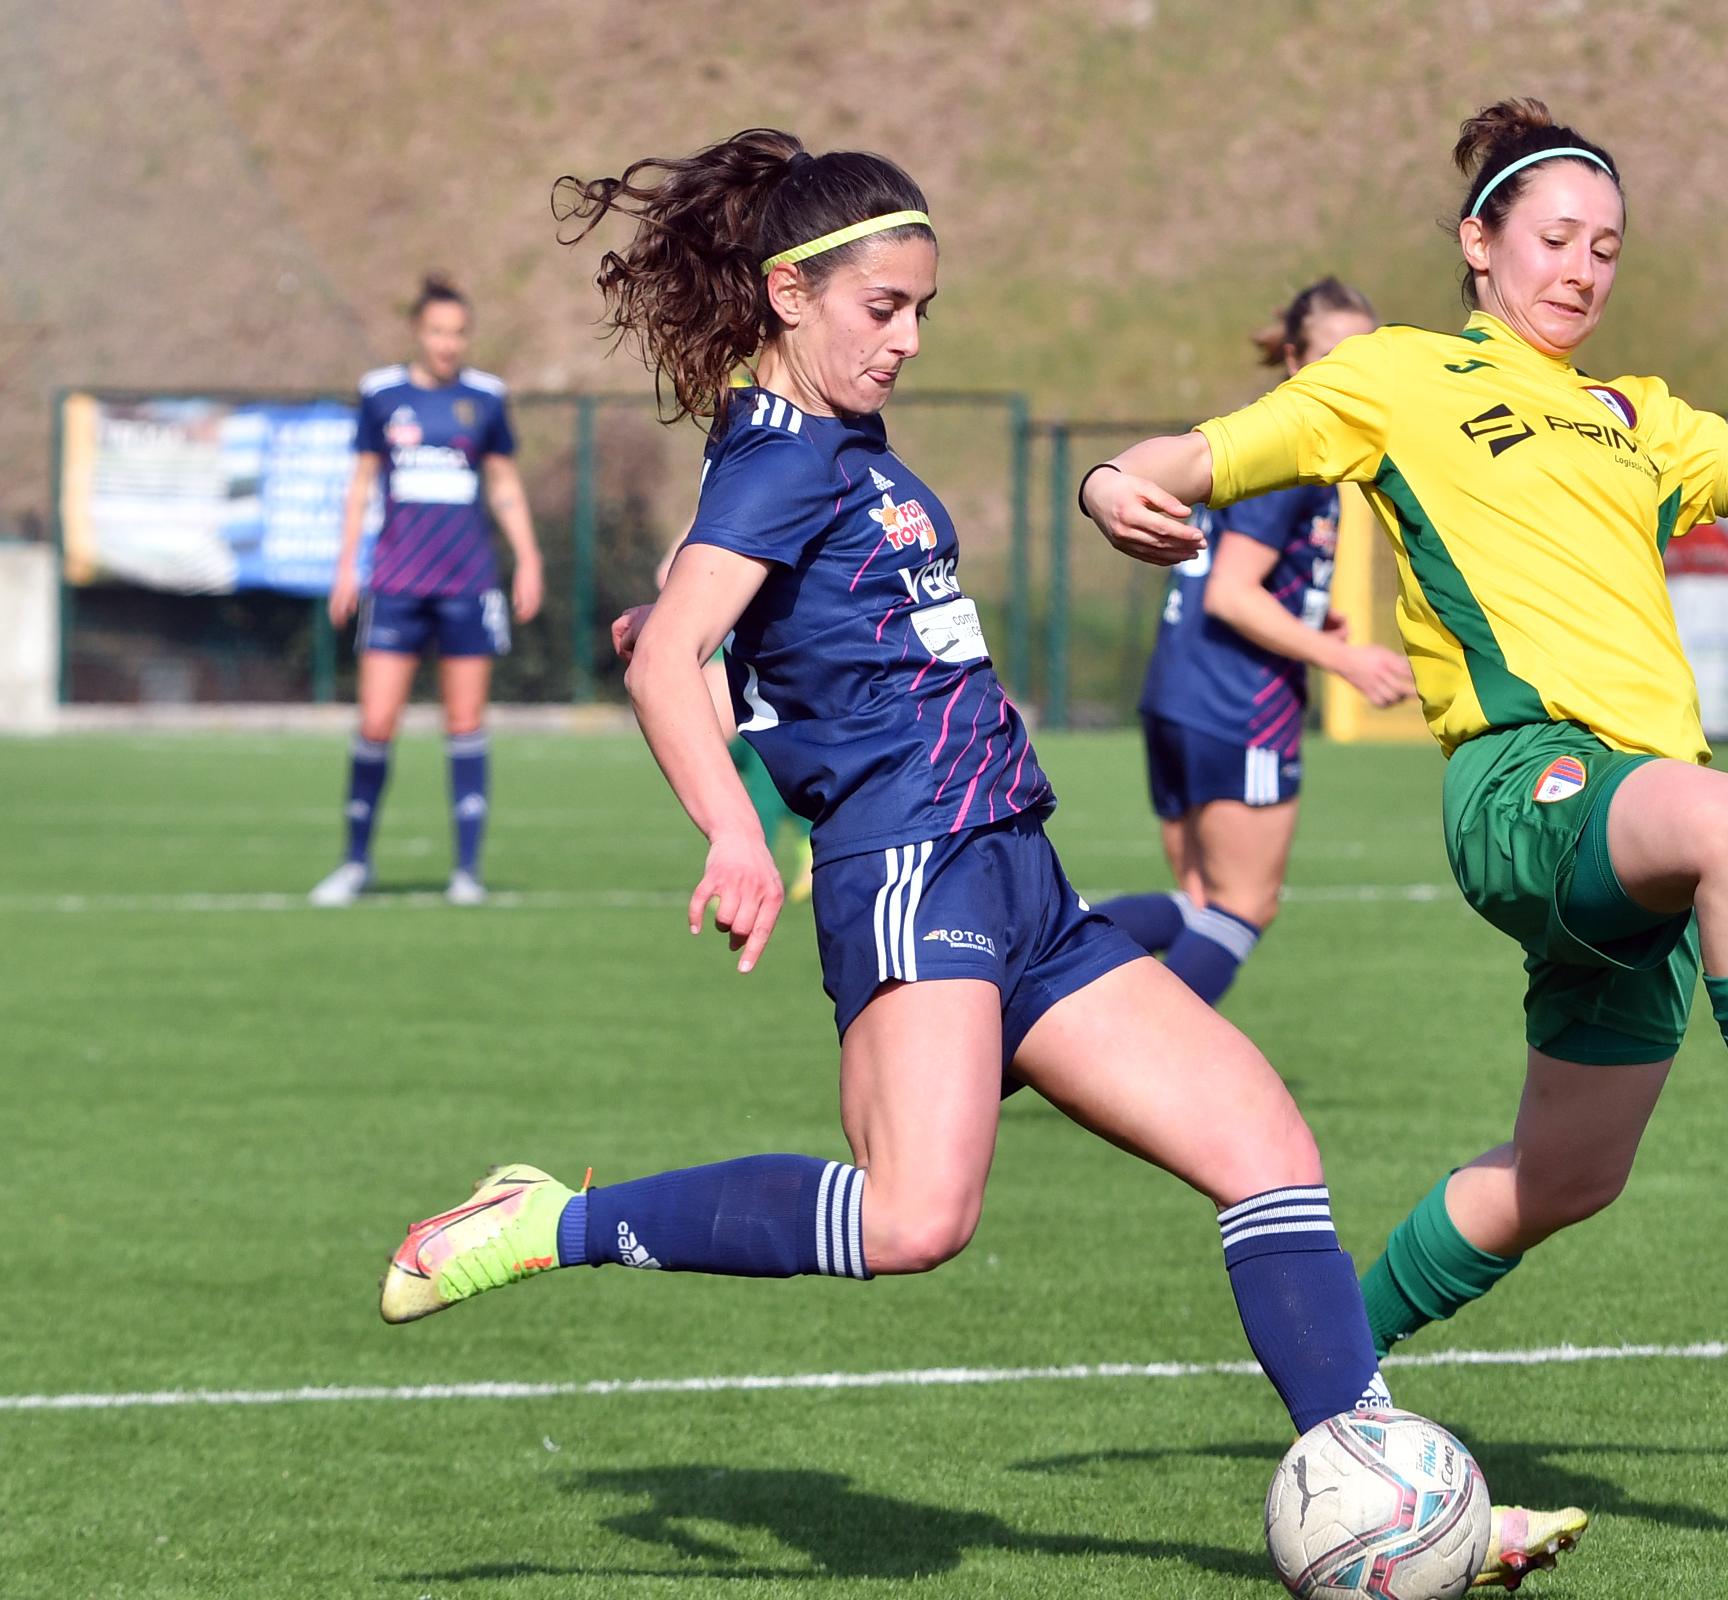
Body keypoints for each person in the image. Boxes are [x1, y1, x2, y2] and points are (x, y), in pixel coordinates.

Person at [373, 129, 1584, 1590]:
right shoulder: (783, 454)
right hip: (911, 871)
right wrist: (735, 831)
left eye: (923, 311)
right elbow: (667, 657)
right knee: (912, 1217)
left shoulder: (837, 446)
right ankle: (546, 1222)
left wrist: (713, 638)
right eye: (881, 309)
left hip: (1021, 875)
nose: (907, 339)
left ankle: (1400, 1501)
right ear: (788, 296)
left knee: (1266, 1150)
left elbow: (752, 624)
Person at [1081, 98, 1728, 1357]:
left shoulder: (1639, 416)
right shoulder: (1397, 375)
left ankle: (1332, 1373)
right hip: (1524, 781)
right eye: (1556, 239)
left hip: (1631, 824)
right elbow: (1204, 452)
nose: (1583, 268)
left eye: (1606, 247)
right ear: (1480, 242)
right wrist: (1110, 482)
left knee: (1564, 1177)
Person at [1096, 280, 1413, 1004]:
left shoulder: (1258, 438)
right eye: (1334, 357)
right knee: (1244, 906)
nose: (1352, 375)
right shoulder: (1297, 449)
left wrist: (1309, 621)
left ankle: (1049, 957)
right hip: (1237, 704)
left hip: (1179, 690)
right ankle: (1143, 1047)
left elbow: (1242, 579)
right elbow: (1232, 593)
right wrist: (1347, 660)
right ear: (1296, 360)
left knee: (1205, 903)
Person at [311, 277, 543, 908]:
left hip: (467, 584)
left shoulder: (486, 398)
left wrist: (528, 558)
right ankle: (355, 864)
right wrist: (345, 567)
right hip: (396, 586)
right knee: (375, 722)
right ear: (419, 332)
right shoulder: (382, 394)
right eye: (438, 331)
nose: (448, 343)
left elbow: (503, 483)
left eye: (458, 333)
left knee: (465, 723)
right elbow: (361, 483)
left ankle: (466, 872)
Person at [655, 515, 816, 901]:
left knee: (747, 753)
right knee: (734, 754)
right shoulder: (729, 503)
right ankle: (805, 838)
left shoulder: (766, 504)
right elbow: (666, 575)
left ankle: (747, 876)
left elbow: (668, 576)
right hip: (724, 645)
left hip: (751, 651)